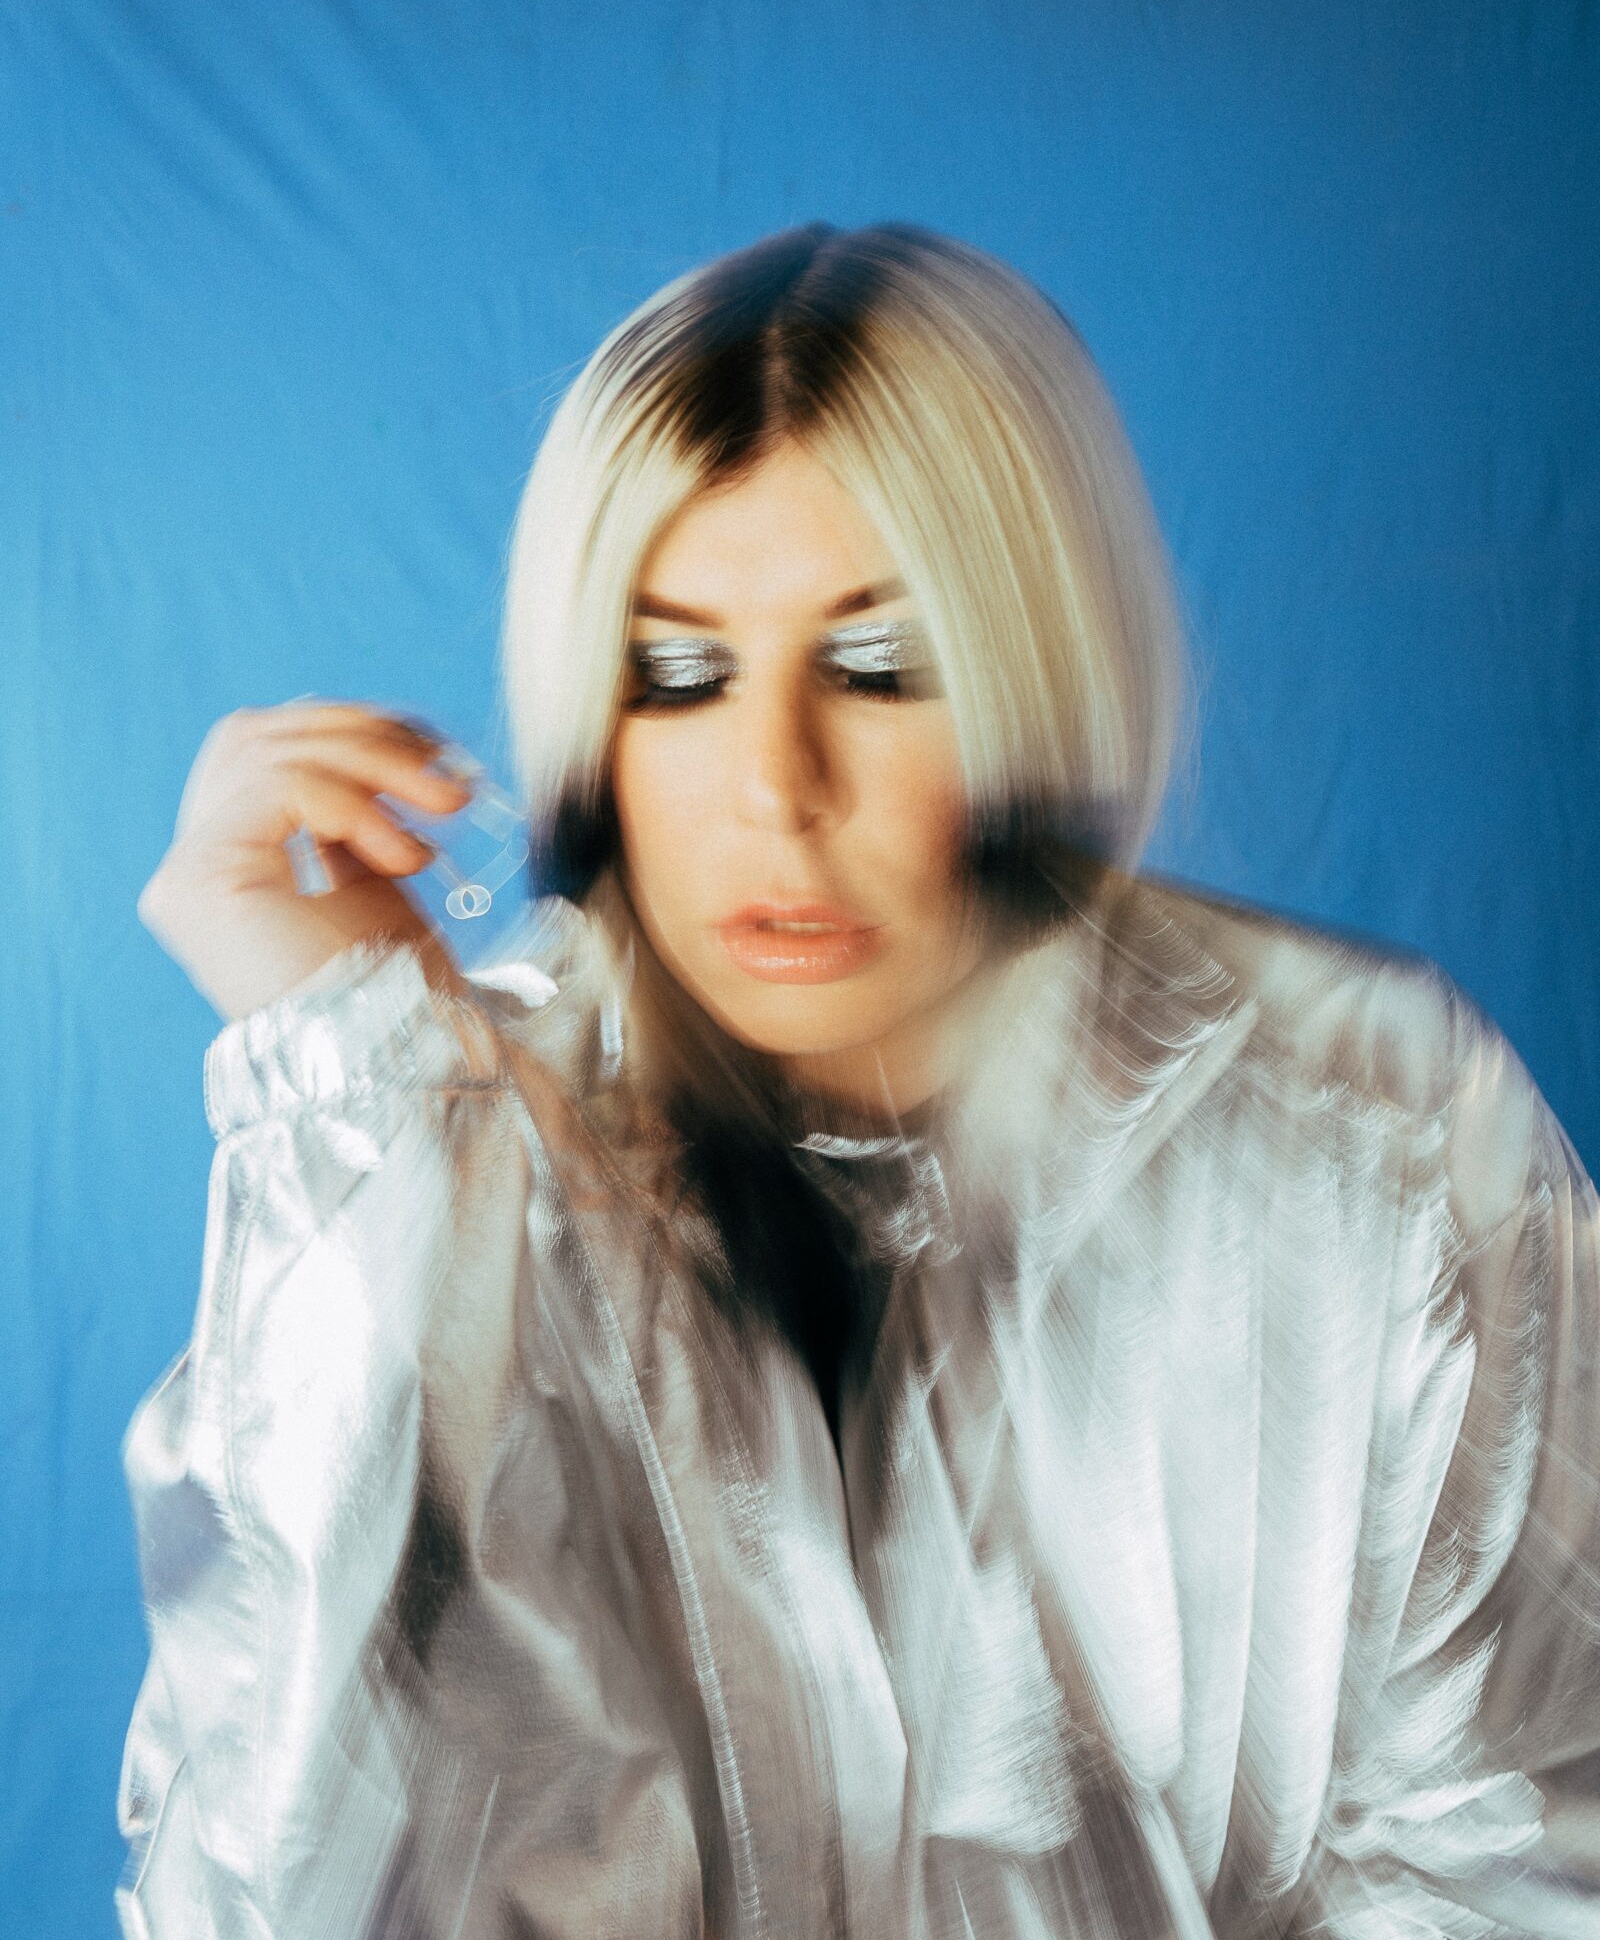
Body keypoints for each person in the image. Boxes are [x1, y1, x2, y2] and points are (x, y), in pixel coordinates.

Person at [120, 222, 1600, 1938]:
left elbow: (1531, 1851)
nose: (776, 786)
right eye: (679, 675)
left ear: (1040, 670)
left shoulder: (1372, 1120)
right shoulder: (440, 1140)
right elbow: (277, 1890)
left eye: (880, 666)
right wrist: (361, 1114)